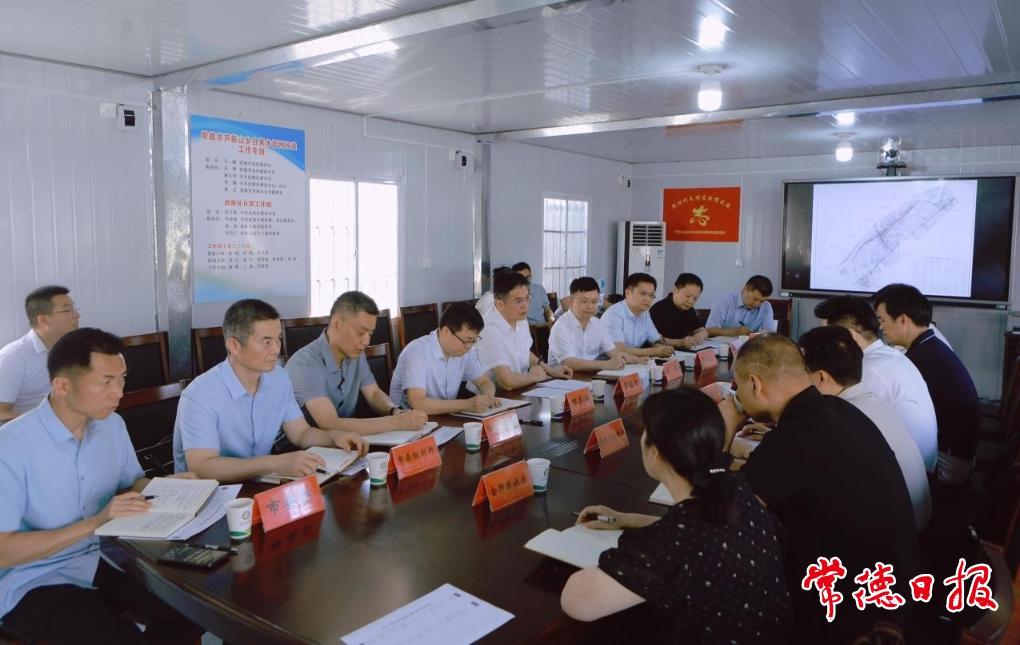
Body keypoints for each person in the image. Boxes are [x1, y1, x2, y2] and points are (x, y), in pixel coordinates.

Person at [0, 328, 202, 643]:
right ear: (62, 385)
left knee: (192, 614)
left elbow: (131, 483)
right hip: (32, 579)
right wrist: (96, 522)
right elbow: (4, 551)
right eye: (106, 382)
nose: (118, 392)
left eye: (122, 379)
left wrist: (169, 486)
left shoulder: (112, 425)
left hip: (98, 558)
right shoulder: (11, 447)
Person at [725, 334, 917, 642]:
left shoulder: (796, 436)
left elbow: (723, 512)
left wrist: (727, 423)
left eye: (738, 388)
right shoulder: (839, 410)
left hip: (847, 613)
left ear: (755, 384)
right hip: (893, 590)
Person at [561, 388, 791, 643]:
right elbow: (708, 533)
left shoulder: (671, 541)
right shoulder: (738, 492)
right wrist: (628, 520)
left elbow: (578, 602)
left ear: (656, 453)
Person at [174, 299, 368, 482]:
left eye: (278, 339)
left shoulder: (279, 378)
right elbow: (202, 466)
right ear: (234, 345)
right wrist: (273, 463)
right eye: (267, 342)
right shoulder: (200, 395)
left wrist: (334, 437)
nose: (276, 349)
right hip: (212, 494)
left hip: (259, 484)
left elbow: (301, 433)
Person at [798, 326, 932, 532]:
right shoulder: (871, 402)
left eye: (803, 372)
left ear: (821, 377)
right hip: (915, 520)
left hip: (896, 534)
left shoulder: (841, 416)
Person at [814, 295, 938, 472]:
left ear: (849, 336)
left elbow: (838, 430)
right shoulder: (887, 356)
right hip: (915, 469)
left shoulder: (870, 371)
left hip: (904, 477)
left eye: (826, 338)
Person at [873, 284, 980, 484]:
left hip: (949, 463)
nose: (880, 328)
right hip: (959, 453)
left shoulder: (922, 359)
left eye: (882, 320)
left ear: (903, 319)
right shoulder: (930, 344)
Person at [286, 291, 429, 436]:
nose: (366, 341)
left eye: (370, 334)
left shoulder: (356, 354)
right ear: (337, 324)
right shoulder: (304, 364)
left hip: (347, 441)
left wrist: (395, 411)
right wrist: (397, 423)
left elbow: (373, 394)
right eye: (360, 333)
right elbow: (329, 423)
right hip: (305, 446)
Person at [389, 302, 498, 414]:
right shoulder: (417, 352)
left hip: (443, 417)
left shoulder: (466, 350)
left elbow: (484, 382)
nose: (469, 347)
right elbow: (417, 402)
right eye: (467, 340)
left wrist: (488, 398)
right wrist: (466, 405)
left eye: (474, 341)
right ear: (446, 332)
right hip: (407, 419)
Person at [474, 271, 573, 390]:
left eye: (527, 298)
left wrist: (551, 371)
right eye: (519, 301)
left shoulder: (519, 318)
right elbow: (507, 382)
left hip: (519, 388)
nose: (525, 306)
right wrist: (534, 377)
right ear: (499, 304)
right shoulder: (489, 329)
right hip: (491, 395)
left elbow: (525, 352)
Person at [0, 285, 80, 424]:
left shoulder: (74, 348)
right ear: (43, 320)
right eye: (67, 311)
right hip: (32, 430)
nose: (76, 315)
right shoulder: (13, 358)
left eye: (75, 310)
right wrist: (48, 422)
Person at [548, 277, 640, 371]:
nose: (590, 306)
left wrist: (639, 360)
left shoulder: (597, 323)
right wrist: (606, 364)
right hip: (563, 377)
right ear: (571, 301)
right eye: (584, 301)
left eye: (594, 302)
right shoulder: (560, 327)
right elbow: (570, 363)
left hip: (591, 375)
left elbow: (614, 352)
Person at [601, 273, 673, 359]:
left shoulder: (645, 314)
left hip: (634, 363)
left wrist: (662, 348)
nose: (647, 299)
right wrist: (655, 351)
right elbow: (619, 350)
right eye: (642, 294)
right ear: (628, 293)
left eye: (651, 295)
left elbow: (656, 339)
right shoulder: (614, 314)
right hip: (606, 363)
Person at [649, 272, 708, 349]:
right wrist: (680, 342)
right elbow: (653, 340)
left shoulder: (689, 309)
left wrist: (700, 335)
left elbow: (701, 330)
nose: (690, 301)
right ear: (675, 290)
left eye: (695, 298)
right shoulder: (658, 309)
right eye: (688, 296)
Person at [705, 275, 778, 337]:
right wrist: (735, 331)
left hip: (750, 347)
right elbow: (708, 331)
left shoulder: (766, 306)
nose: (757, 304)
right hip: (723, 346)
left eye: (762, 301)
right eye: (755, 299)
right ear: (745, 289)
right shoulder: (724, 302)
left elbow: (769, 333)